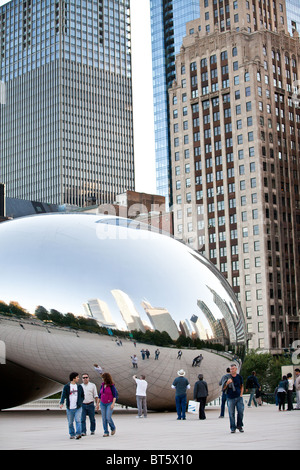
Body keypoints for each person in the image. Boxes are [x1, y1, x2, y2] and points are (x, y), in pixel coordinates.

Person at [59, 372, 85, 439]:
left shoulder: (79, 387)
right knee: (70, 422)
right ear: (73, 378)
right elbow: (63, 395)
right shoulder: (67, 387)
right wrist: (61, 403)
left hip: (78, 407)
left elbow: (82, 395)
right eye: (77, 377)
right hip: (70, 407)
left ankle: (78, 434)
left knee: (78, 420)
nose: (78, 378)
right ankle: (72, 434)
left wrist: (80, 401)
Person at [223, 364, 244, 433]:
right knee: (231, 413)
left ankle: (239, 425)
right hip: (230, 398)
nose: (232, 370)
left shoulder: (239, 377)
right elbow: (223, 388)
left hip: (238, 397)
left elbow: (242, 386)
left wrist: (241, 394)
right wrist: (227, 383)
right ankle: (233, 427)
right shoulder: (227, 377)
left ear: (236, 369)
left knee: (240, 412)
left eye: (233, 369)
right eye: (231, 369)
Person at [97, 372, 117, 437]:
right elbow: (100, 395)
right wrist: (97, 403)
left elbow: (115, 395)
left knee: (108, 417)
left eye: (103, 378)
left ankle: (113, 427)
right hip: (103, 403)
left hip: (109, 403)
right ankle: (106, 431)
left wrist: (113, 404)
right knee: (104, 418)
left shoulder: (112, 386)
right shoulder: (102, 385)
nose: (102, 379)